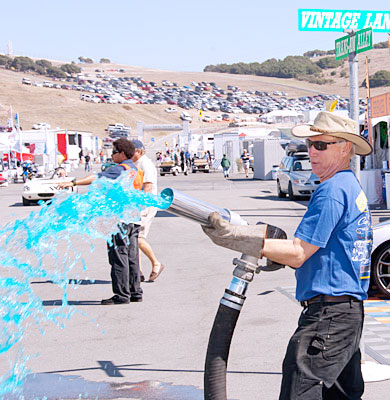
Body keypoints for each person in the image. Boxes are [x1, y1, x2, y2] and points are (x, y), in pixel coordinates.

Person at [202, 111, 373, 399]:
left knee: (299, 392)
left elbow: (298, 253)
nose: (312, 152)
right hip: (346, 314)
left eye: (321, 145)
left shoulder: (332, 191)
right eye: (310, 144)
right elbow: (324, 250)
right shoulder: (349, 186)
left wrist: (234, 237)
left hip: (328, 317)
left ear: (345, 148)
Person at [58, 138, 144, 305]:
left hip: (120, 220)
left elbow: (95, 177)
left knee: (119, 256)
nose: (111, 155)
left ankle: (121, 294)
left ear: (123, 154)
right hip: (134, 218)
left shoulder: (120, 169)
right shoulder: (136, 170)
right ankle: (135, 292)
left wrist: (72, 182)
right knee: (132, 256)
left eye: (114, 152)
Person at [131, 140, 165, 282]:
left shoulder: (145, 164)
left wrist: (140, 207)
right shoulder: (135, 164)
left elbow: (148, 188)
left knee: (138, 237)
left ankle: (156, 263)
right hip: (137, 205)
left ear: (138, 151)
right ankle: (137, 271)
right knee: (133, 238)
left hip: (146, 205)